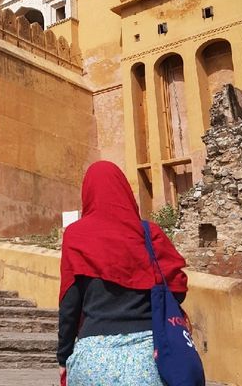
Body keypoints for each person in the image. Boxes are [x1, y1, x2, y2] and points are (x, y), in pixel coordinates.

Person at [58, 160, 188, 386]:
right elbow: (176, 290)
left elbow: (70, 304)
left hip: (93, 360)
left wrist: (63, 356)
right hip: (149, 359)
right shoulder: (149, 234)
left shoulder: (76, 235)